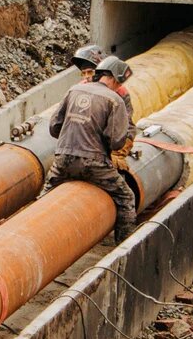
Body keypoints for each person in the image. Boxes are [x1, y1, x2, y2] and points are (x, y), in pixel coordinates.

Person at [47, 55, 137, 245]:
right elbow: (115, 141)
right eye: (118, 81)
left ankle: (37, 233)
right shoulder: (115, 100)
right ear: (113, 77)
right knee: (125, 196)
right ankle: (124, 249)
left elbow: (54, 126)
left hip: (62, 159)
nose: (118, 86)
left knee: (45, 197)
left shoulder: (74, 90)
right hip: (94, 163)